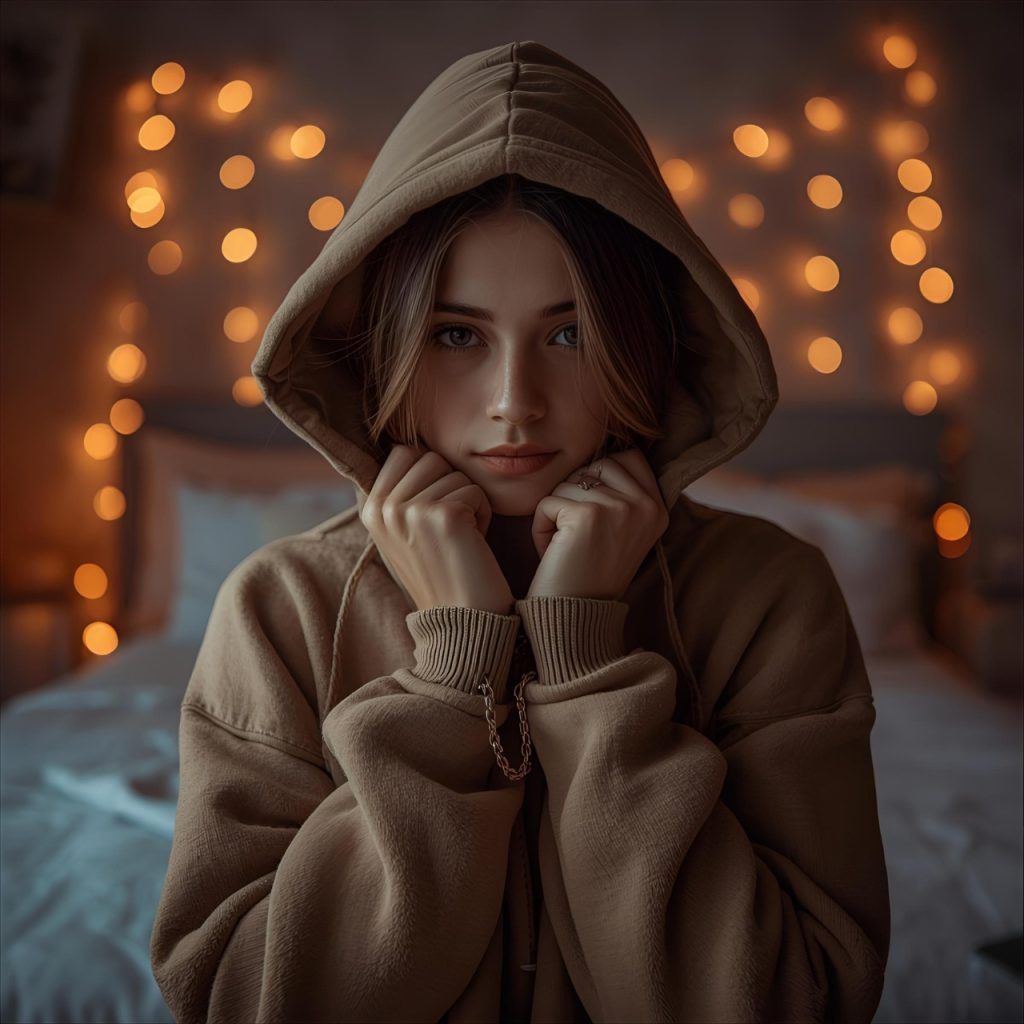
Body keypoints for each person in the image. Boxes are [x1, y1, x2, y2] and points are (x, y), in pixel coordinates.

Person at [150, 39, 890, 1024]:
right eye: (457, 335)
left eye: (569, 332)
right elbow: (241, 998)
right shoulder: (279, 604)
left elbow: (800, 998)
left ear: (644, 343)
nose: (513, 403)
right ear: (386, 351)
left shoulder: (771, 597)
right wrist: (453, 673)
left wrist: (583, 656)